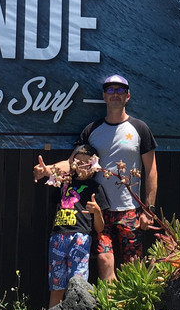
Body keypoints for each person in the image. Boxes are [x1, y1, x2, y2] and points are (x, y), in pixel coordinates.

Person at [33, 74, 158, 281]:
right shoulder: (92, 130)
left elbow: (151, 169)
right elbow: (72, 163)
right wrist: (48, 170)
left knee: (133, 266)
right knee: (104, 261)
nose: (115, 94)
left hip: (131, 211)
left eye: (120, 90)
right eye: (110, 90)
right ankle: (110, 308)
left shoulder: (140, 129)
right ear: (104, 96)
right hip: (98, 210)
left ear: (128, 96)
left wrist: (149, 209)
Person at [37, 143, 106, 307]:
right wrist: (48, 173)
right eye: (78, 162)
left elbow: (100, 228)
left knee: (77, 284)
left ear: (94, 165)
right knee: (56, 285)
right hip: (58, 236)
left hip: (81, 237)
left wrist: (97, 211)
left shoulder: (95, 187)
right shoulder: (64, 182)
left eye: (87, 163)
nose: (82, 166)